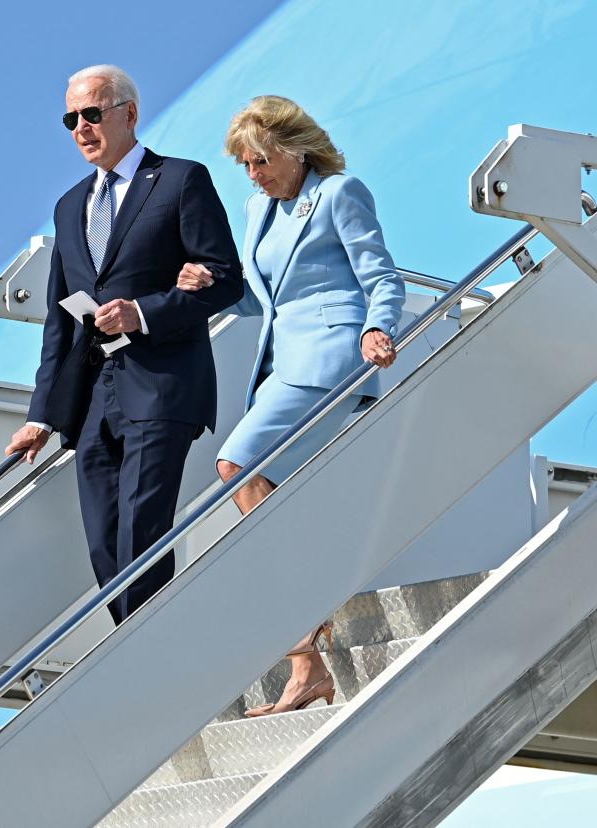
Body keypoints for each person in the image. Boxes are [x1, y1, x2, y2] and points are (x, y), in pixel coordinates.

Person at [176, 95, 405, 715]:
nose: (253, 174)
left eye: (261, 160)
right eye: (245, 165)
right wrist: (213, 289)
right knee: (257, 481)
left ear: (294, 147)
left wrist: (378, 328)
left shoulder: (339, 193)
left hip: (333, 354)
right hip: (281, 362)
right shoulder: (258, 208)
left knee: (237, 466)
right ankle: (308, 656)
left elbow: (381, 276)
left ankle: (305, 624)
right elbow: (265, 300)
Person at [6, 65, 241, 625]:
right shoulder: (68, 206)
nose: (81, 128)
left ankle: (146, 658)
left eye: (92, 114)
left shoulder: (182, 180)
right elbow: (59, 320)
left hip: (162, 386)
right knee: (104, 543)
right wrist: (42, 415)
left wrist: (142, 312)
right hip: (94, 397)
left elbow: (227, 279)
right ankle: (143, 646)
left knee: (142, 529)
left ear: (128, 113)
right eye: (71, 119)